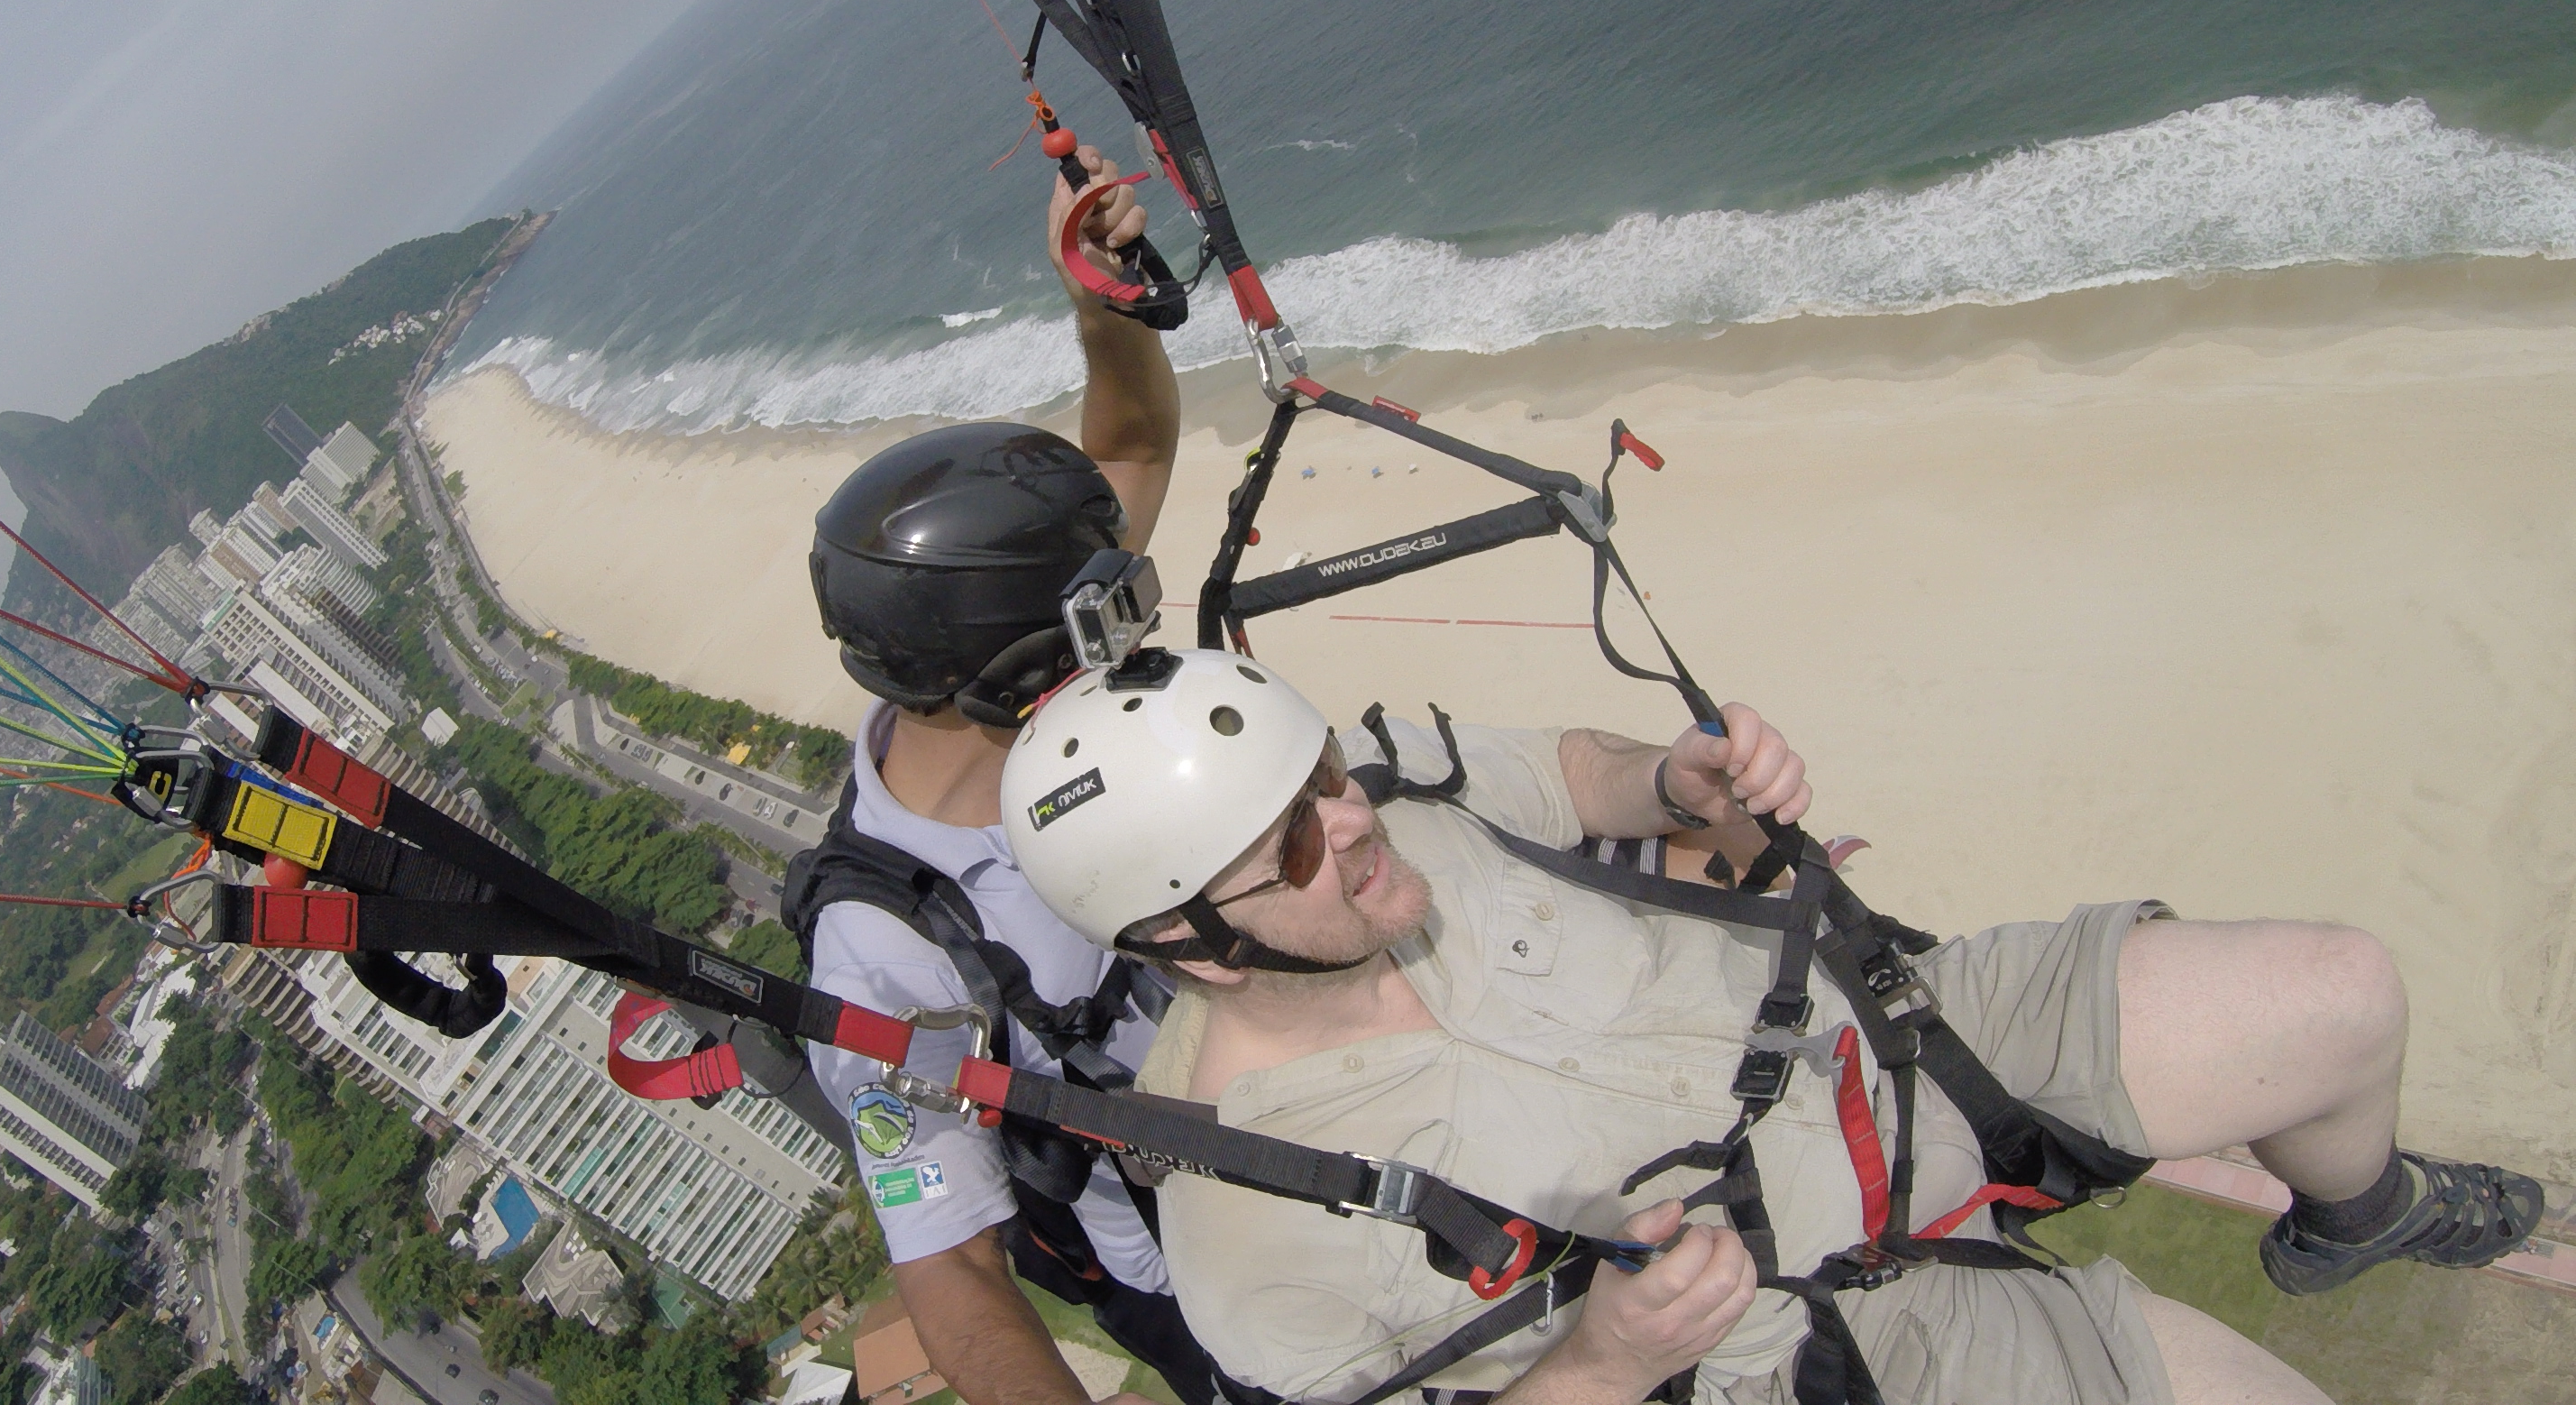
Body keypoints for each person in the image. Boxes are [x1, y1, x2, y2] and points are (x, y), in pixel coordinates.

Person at [995, 650, 2545, 1404]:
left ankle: (2360, 1214)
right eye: (1290, 846)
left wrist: (1680, 781)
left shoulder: (1397, 810)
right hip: (1812, 1331)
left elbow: (1581, 777)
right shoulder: (1246, 1236)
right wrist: (1599, 1365)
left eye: (1325, 772)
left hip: (1880, 1045)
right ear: (1183, 947)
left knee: (2344, 996)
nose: (1350, 824)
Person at [784, 147, 1210, 1405]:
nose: (1127, 638)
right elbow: (955, 1273)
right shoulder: (882, 963)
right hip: (1205, 1271)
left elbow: (1130, 441)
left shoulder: (1006, 639)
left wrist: (1097, 298)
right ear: (1011, 678)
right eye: (1101, 628)